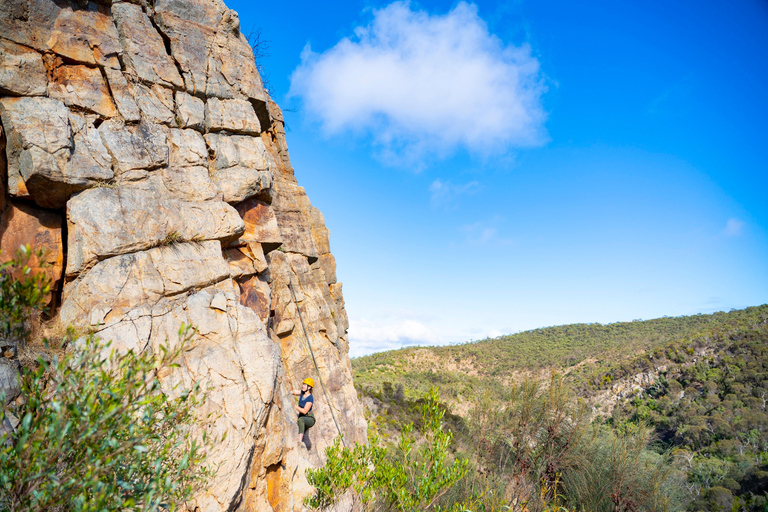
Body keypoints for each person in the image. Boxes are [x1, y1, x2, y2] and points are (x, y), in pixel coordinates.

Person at [291, 377, 315, 449]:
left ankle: (300, 441)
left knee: (301, 420)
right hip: (303, 417)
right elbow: (292, 392)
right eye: (303, 384)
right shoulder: (302, 392)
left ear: (309, 387)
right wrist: (289, 382)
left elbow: (304, 411)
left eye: (305, 385)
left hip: (309, 419)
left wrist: (295, 407)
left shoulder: (310, 398)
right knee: (300, 420)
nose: (303, 386)